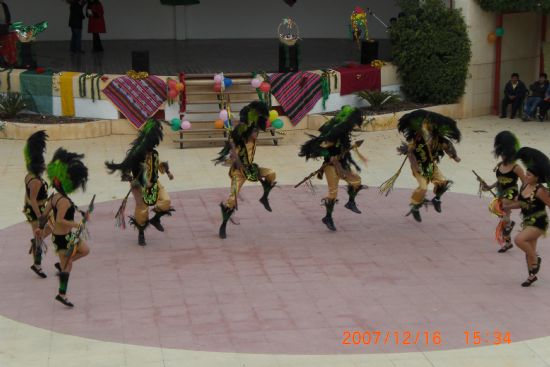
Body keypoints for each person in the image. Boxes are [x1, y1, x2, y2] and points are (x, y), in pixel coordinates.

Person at [105, 119, 174, 246]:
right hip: (139, 186)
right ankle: (141, 233)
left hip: (154, 183)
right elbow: (126, 172)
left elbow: (157, 164)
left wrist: (167, 171)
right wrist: (132, 180)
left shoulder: (154, 153)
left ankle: (156, 219)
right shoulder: (136, 155)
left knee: (166, 201)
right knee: (142, 209)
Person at [298, 105, 367, 231]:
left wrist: (349, 147)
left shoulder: (343, 135)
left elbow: (343, 147)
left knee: (356, 181)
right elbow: (318, 148)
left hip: (342, 165)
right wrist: (329, 157)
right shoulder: (331, 137)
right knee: (333, 193)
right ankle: (328, 217)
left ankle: (350, 202)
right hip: (330, 167)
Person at [214, 101, 276, 239]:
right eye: (255, 131)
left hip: (251, 169)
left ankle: (264, 198)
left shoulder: (253, 140)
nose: (257, 133)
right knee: (231, 200)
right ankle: (223, 225)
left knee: (271, 173)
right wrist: (237, 160)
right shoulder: (240, 142)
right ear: (249, 132)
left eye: (258, 130)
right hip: (239, 173)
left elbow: (246, 123)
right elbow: (232, 155)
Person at [36, 148, 90, 307]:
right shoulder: (64, 201)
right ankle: (62, 294)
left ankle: (64, 265)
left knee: (85, 250)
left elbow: (44, 215)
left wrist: (40, 228)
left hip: (67, 237)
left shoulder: (55, 197)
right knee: (69, 265)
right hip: (62, 239)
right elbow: (59, 220)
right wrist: (77, 224)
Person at [396, 109, 461, 222]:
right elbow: (410, 153)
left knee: (442, 183)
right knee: (423, 187)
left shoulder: (440, 140)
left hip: (431, 166)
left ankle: (436, 199)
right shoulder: (418, 139)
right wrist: (416, 166)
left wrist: (455, 156)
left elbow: (448, 147)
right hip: (419, 167)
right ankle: (415, 206)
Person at [503, 147, 550, 287]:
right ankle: (532, 275)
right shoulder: (524, 187)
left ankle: (536, 259)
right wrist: (507, 206)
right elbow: (521, 203)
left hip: (539, 222)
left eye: (529, 175)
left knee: (519, 240)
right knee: (529, 249)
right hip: (528, 221)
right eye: (527, 174)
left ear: (537, 177)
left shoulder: (540, 190)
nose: (526, 176)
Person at [479, 131, 525, 252]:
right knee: (504, 217)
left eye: (505, 154)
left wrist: (522, 195)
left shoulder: (516, 168)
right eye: (502, 154)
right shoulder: (499, 165)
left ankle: (510, 225)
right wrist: (488, 187)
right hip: (501, 191)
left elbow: (525, 182)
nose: (503, 156)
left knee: (503, 207)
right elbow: (499, 180)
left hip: (511, 191)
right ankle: (508, 242)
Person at [23, 131, 50, 278]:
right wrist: (40, 217)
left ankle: (36, 241)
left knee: (49, 229)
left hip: (34, 208)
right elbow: (32, 199)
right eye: (43, 164)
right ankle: (37, 265)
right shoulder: (35, 181)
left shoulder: (30, 176)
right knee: (40, 235)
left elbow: (27, 197)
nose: (45, 165)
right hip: (35, 211)